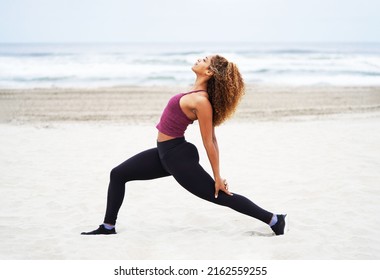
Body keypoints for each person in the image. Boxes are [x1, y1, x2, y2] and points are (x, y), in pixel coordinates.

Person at [81, 55, 287, 236]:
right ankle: (108, 227)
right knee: (118, 174)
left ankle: (274, 220)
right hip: (166, 154)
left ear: (209, 71)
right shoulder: (195, 94)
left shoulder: (201, 101)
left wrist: (217, 176)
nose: (199, 59)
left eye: (204, 60)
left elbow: (210, 140)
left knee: (218, 196)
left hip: (177, 157)